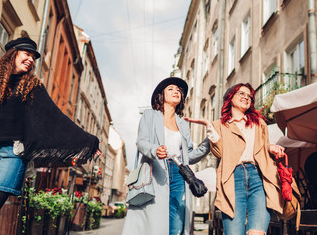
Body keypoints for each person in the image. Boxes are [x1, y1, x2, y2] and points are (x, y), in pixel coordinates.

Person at [0, 37, 100, 235]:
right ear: (12, 54)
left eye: (34, 57)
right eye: (26, 54)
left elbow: (55, 118)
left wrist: (89, 142)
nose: (31, 59)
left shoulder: (32, 87)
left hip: (12, 156)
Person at [185, 83, 286, 235]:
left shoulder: (259, 124)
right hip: (233, 180)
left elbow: (262, 147)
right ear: (230, 97)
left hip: (259, 178)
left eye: (249, 96)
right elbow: (220, 153)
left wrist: (271, 147)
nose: (246, 97)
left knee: (257, 232)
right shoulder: (219, 125)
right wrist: (209, 128)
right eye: (241, 94)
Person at [122, 77, 210, 235]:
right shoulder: (150, 115)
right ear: (161, 95)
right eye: (171, 89)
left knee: (176, 221)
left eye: (179, 90)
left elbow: (188, 156)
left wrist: (210, 141)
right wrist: (155, 150)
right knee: (155, 223)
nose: (176, 91)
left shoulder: (182, 123)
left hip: (178, 173)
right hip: (156, 172)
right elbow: (141, 142)